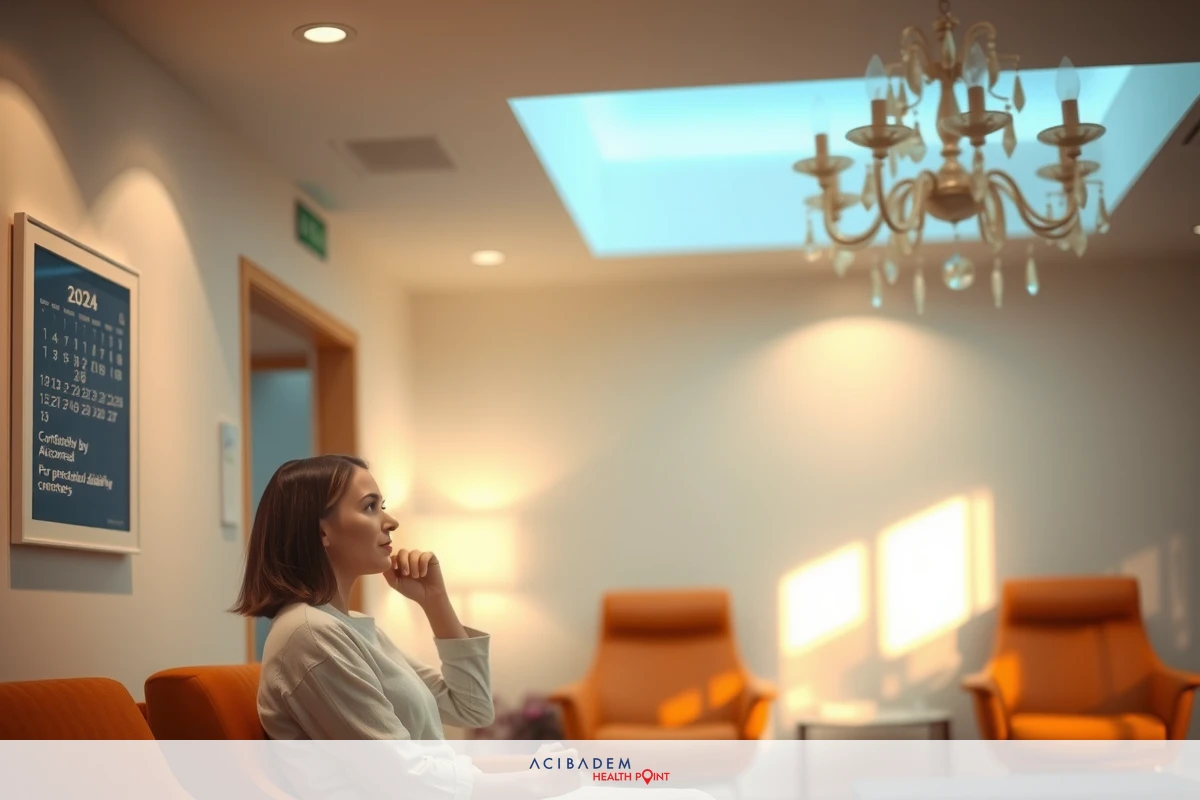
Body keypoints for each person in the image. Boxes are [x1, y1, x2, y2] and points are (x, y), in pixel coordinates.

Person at [232, 454, 580, 800]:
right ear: (322, 530)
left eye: (383, 505)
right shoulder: (310, 635)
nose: (391, 521)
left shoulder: (348, 627)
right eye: (370, 507)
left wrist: (435, 600)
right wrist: (530, 784)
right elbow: (402, 778)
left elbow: (471, 708)